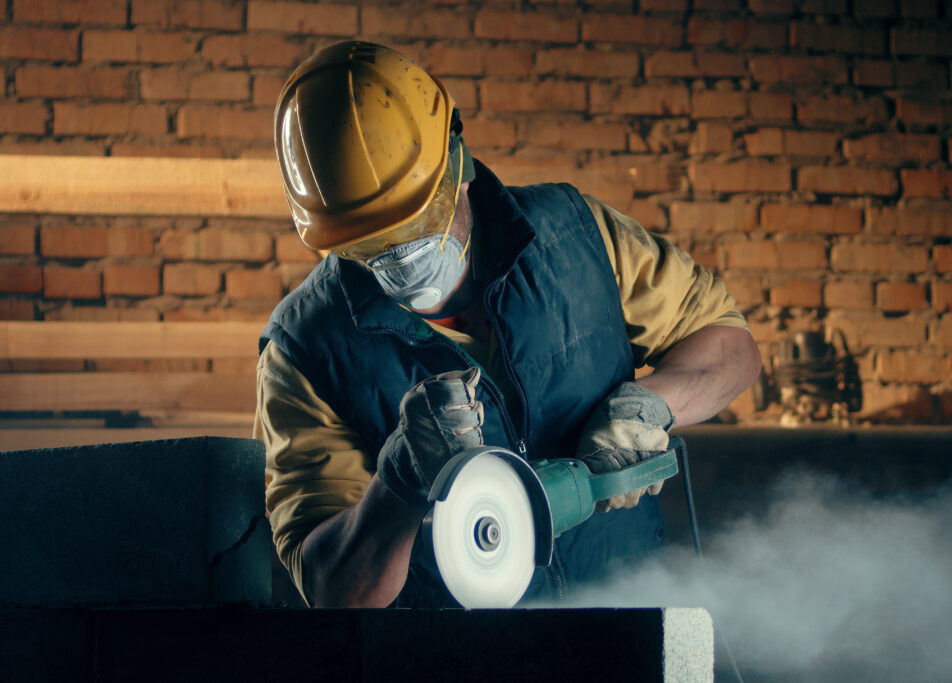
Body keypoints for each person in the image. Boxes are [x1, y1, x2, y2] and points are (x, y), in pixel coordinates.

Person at [255, 41, 762, 608]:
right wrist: (398, 484)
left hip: (625, 625)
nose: (400, 254)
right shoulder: (303, 347)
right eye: (367, 245)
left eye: (418, 222)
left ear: (458, 163)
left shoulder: (578, 237)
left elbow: (730, 345)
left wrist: (650, 405)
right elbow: (331, 590)